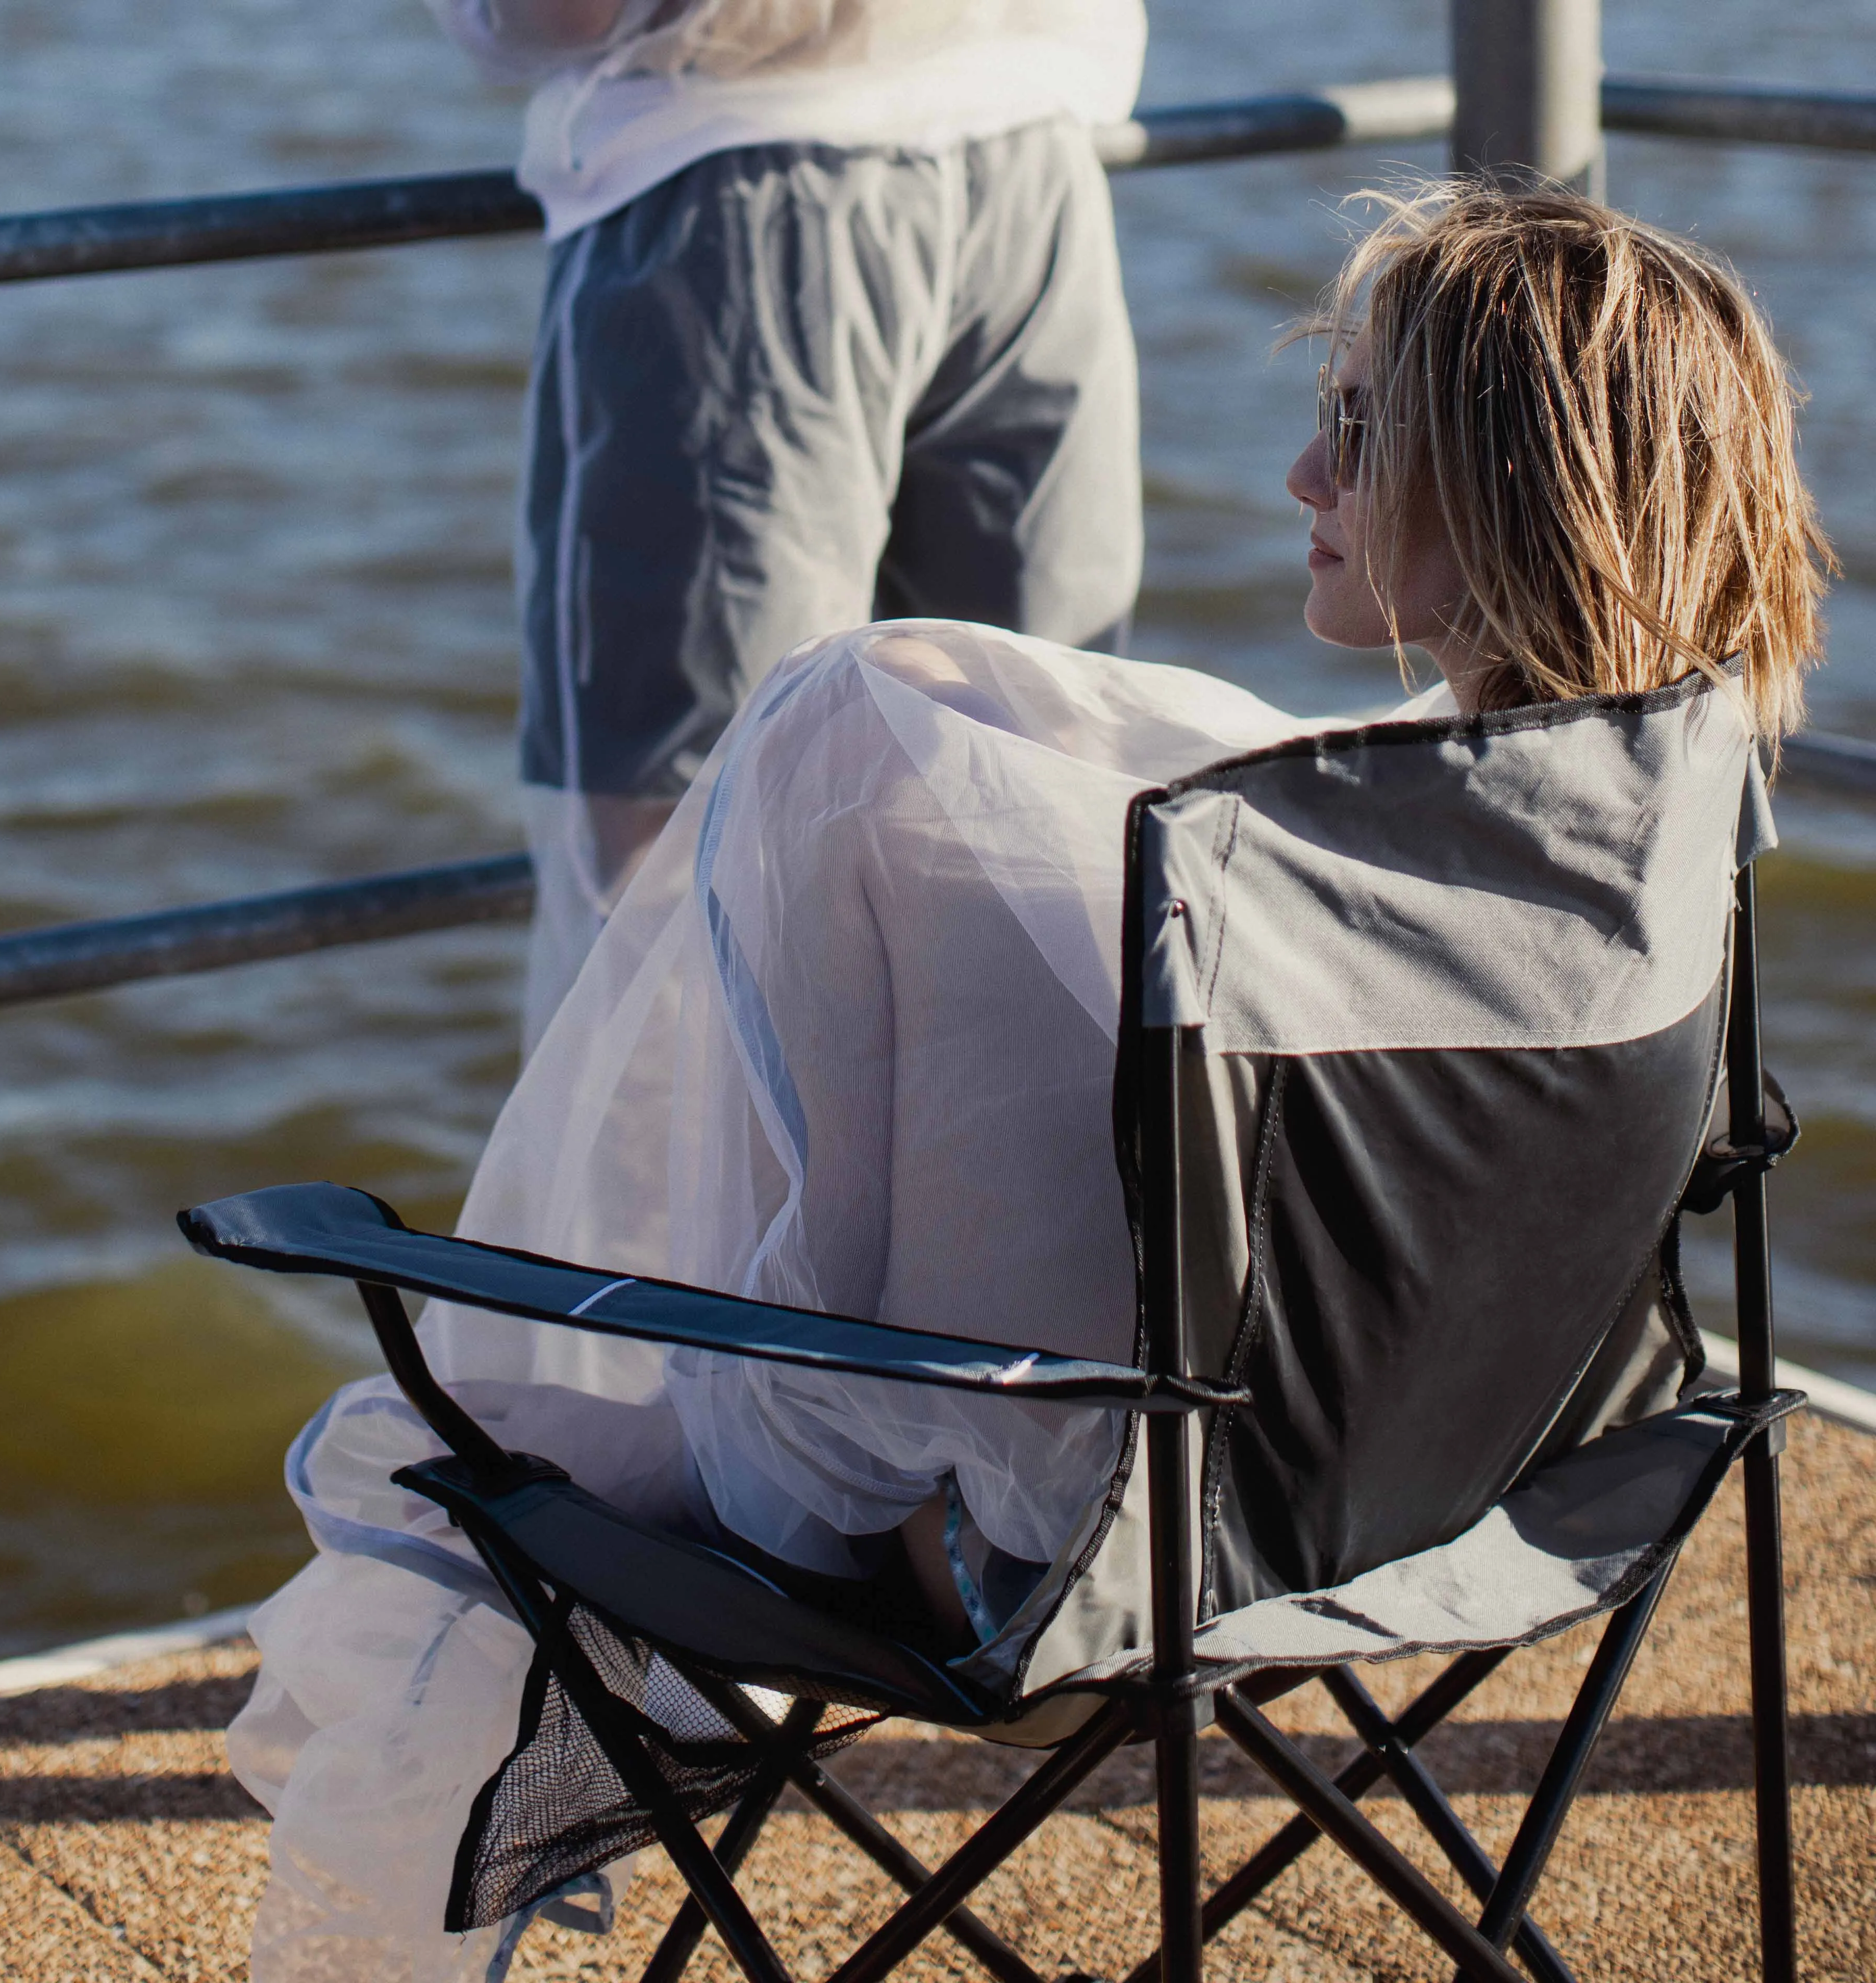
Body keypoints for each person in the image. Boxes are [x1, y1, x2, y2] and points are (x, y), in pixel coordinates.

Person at [226, 180, 1829, 1981]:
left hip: (1111, 1579)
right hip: (1530, 1481)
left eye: (1356, 426)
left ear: (1514, 480)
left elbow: (832, 1432)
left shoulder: (1264, 863)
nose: (1302, 477)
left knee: (479, 1448)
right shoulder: (1658, 814)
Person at [423, 0, 1151, 1047]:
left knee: (682, 875)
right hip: (1034, 151)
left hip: (741, 173)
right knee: (1033, 816)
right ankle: (987, 1211)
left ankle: (687, 1214)